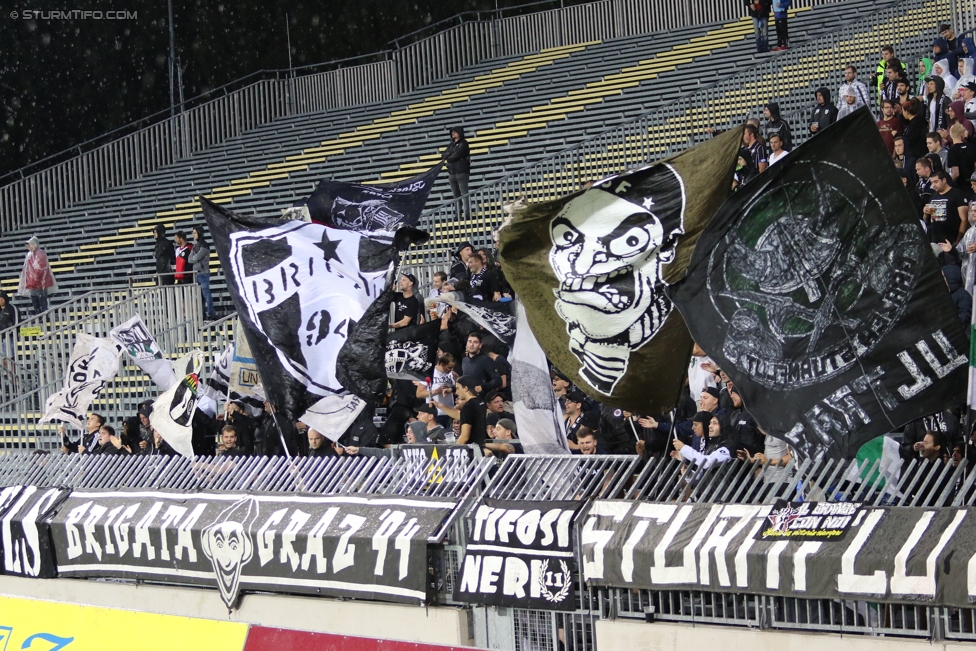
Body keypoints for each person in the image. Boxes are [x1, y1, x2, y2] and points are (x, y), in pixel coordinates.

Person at [926, 171, 969, 244]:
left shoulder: (957, 194)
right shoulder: (933, 196)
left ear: (944, 180)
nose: (933, 185)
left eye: (936, 182)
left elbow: (964, 219)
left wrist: (958, 240)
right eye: (932, 182)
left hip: (951, 238)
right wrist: (925, 213)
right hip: (935, 239)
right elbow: (929, 219)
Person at [18, 236, 56, 315]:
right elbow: (26, 269)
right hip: (32, 283)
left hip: (39, 283)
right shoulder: (29, 254)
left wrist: (34, 280)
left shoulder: (40, 253)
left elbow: (41, 269)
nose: (28, 246)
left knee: (41, 302)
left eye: (30, 244)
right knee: (36, 303)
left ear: (35, 244)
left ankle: (44, 317)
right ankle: (39, 316)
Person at [187, 226, 215, 320]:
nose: (193, 234)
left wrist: (193, 258)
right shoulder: (195, 246)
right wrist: (193, 258)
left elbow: (195, 258)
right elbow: (189, 259)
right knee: (200, 296)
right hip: (197, 273)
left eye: (194, 233)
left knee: (206, 294)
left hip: (203, 273)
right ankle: (202, 313)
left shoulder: (205, 245)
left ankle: (210, 313)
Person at [442, 126, 471, 219]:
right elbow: (443, 155)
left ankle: (466, 213)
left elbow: (457, 154)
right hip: (452, 172)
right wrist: (450, 156)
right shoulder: (451, 145)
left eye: (455, 132)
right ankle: (458, 213)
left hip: (461, 171)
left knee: (464, 193)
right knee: (456, 195)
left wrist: (450, 156)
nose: (453, 134)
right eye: (452, 132)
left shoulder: (464, 143)